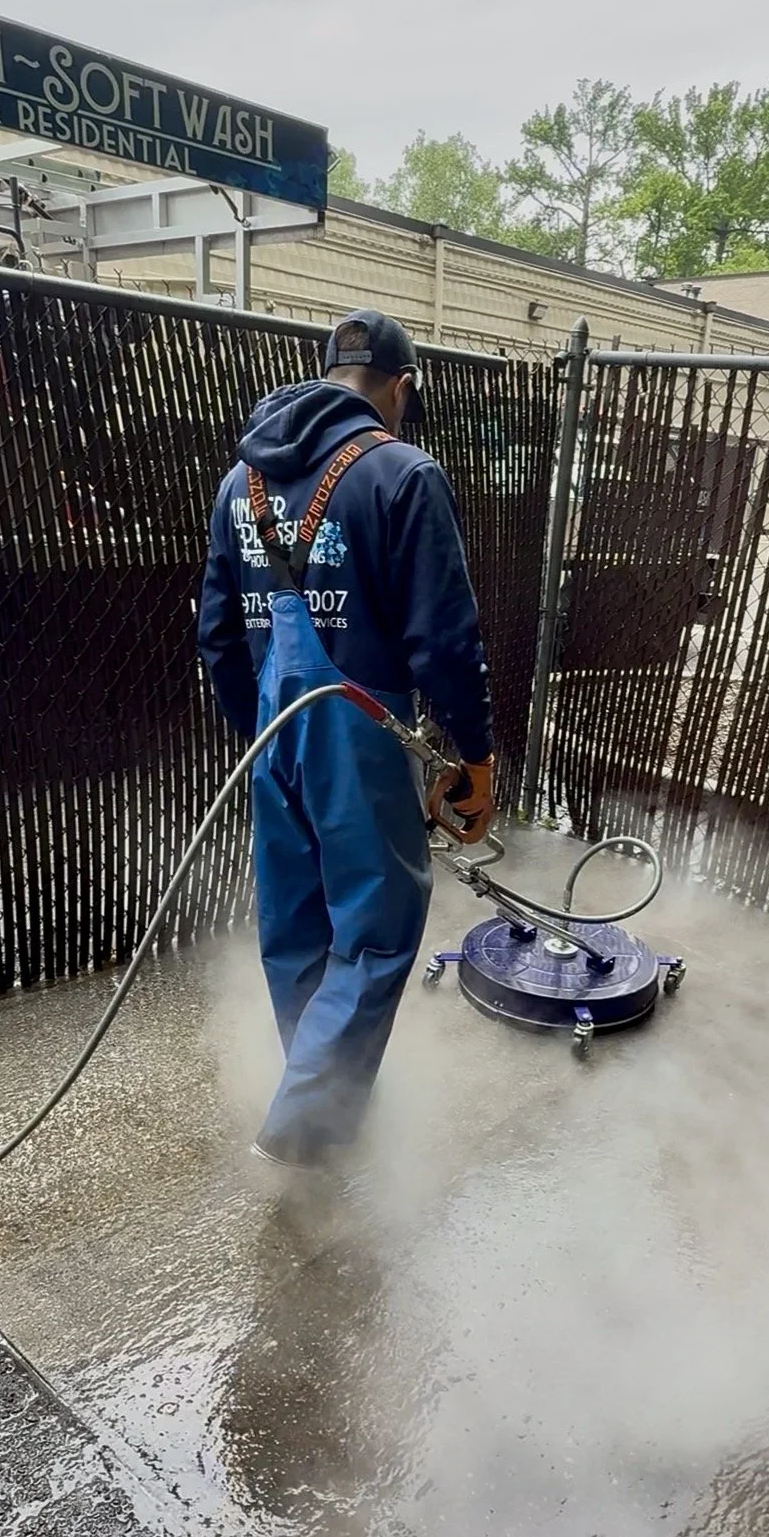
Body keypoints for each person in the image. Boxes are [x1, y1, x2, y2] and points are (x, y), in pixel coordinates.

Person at [198, 309, 495, 1172]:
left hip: (272, 730)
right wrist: (473, 759)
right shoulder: (402, 474)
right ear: (400, 387)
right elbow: (445, 639)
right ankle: (307, 1129)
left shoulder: (237, 485)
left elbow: (217, 634)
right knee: (377, 927)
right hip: (358, 735)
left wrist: (255, 732)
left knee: (296, 923)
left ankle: (318, 1080)